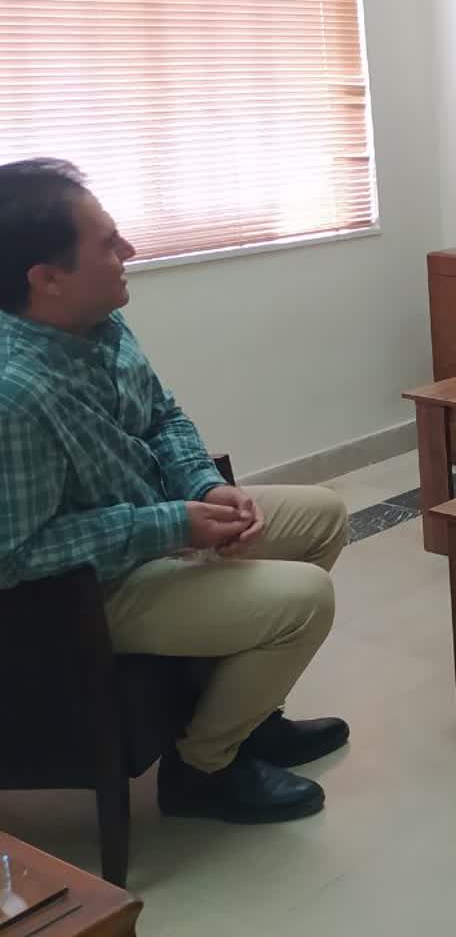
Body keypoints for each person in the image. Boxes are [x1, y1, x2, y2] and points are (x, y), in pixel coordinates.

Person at [0, 160, 351, 824]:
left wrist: (203, 484)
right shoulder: (14, 393)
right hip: (83, 594)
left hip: (155, 526)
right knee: (304, 601)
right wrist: (170, 526)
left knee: (324, 517)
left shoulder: (97, 322)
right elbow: (15, 556)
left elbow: (161, 416)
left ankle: (248, 720)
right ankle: (203, 770)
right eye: (108, 244)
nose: (130, 251)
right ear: (46, 279)